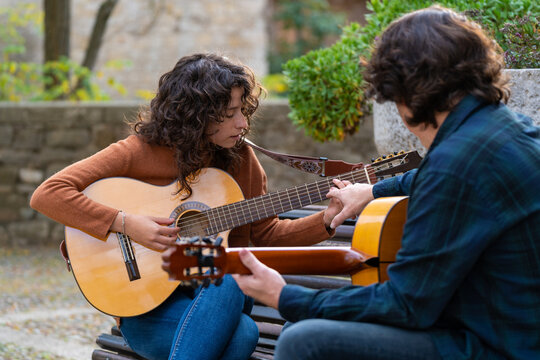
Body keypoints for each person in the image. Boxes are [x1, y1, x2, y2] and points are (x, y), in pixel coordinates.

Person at [226, 6, 540, 360]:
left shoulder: (456, 163)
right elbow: (432, 177)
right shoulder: (511, 129)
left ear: (408, 96)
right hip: (507, 329)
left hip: (497, 346)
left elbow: (406, 305)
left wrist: (285, 296)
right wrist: (372, 190)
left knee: (306, 340)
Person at [30, 53, 341, 360]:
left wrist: (326, 219)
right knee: (244, 335)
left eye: (242, 111)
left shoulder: (242, 159)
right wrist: (126, 223)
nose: (243, 123)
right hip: (146, 308)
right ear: (197, 114)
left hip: (223, 297)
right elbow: (48, 193)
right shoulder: (138, 152)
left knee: (229, 274)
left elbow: (268, 234)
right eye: (230, 113)